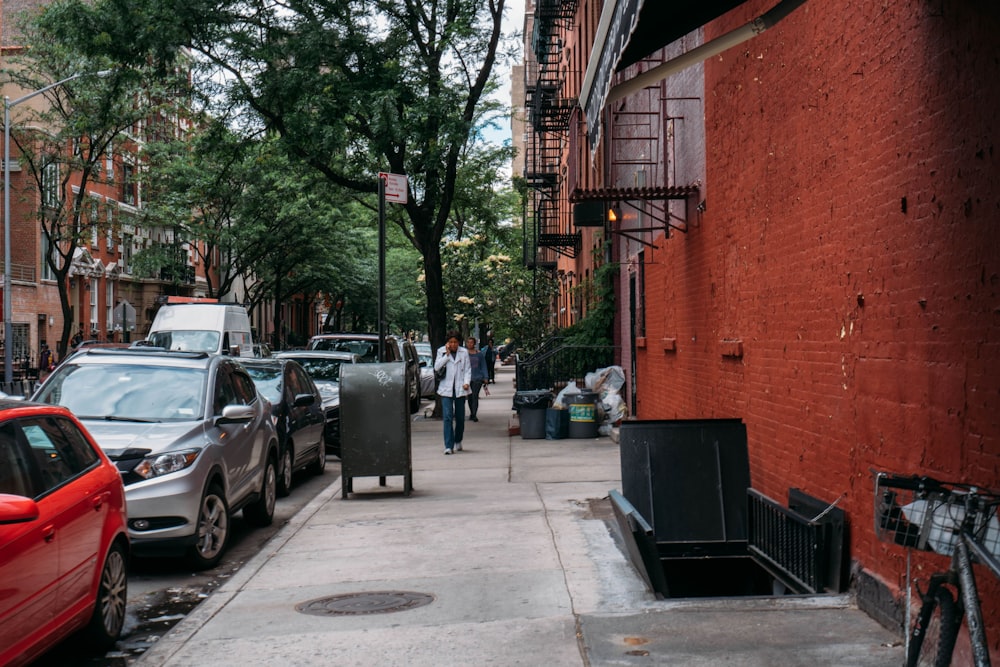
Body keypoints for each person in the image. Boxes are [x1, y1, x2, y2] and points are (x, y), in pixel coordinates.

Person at [434, 331, 471, 455]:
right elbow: (436, 367)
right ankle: (448, 445)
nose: (453, 344)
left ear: (459, 342)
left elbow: (467, 370)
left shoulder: (464, 352)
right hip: (446, 389)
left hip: (460, 388)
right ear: (447, 343)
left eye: (455, 342)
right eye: (451, 342)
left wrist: (466, 382)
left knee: (460, 417)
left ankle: (458, 440)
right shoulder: (441, 351)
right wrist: (447, 355)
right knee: (448, 417)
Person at [466, 337, 488, 421]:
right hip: (468, 379)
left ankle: (474, 414)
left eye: (471, 342)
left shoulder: (479, 354)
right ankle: (471, 412)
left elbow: (483, 366)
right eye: (468, 342)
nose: (470, 344)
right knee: (470, 397)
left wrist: (485, 377)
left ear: (474, 344)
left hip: (477, 378)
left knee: (475, 396)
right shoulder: (465, 354)